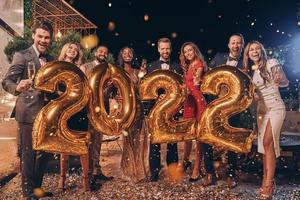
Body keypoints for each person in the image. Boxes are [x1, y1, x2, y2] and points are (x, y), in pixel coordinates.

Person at [2, 21, 54, 199]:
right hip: (28, 113)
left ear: (51, 39)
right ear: (34, 36)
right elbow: (7, 81)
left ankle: (37, 190)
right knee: (28, 153)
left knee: (44, 153)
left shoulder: (52, 59)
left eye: (47, 37)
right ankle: (28, 193)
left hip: (46, 114)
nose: (43, 40)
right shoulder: (22, 56)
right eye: (40, 36)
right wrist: (18, 87)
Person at [243, 40, 288, 199]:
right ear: (247, 55)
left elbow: (284, 82)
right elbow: (256, 96)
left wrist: (278, 78)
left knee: (268, 142)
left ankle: (269, 185)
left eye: (257, 49)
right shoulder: (252, 72)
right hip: (262, 112)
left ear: (261, 50)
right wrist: (254, 96)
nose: (254, 52)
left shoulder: (272, 62)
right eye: (251, 50)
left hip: (276, 108)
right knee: (264, 147)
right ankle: (266, 182)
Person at [202, 33, 245, 188]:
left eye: (239, 43)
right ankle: (209, 173)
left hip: (234, 110)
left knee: (231, 142)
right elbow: (209, 77)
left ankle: (231, 175)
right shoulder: (219, 57)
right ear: (228, 45)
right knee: (207, 139)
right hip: (215, 106)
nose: (236, 45)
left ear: (242, 46)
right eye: (233, 43)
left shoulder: (245, 63)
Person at [57, 42, 93, 190]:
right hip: (64, 110)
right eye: (70, 48)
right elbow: (54, 88)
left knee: (82, 146)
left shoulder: (81, 68)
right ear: (65, 50)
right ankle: (62, 180)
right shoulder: (57, 66)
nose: (72, 51)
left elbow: (86, 89)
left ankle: (85, 180)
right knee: (64, 148)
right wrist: (62, 96)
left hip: (79, 110)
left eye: (75, 50)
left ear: (78, 53)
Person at [147, 37, 182, 182]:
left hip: (172, 109)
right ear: (158, 49)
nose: (165, 51)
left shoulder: (177, 67)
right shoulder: (151, 66)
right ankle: (154, 172)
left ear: (171, 49)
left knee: (172, 141)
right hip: (155, 109)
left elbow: (181, 88)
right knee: (154, 141)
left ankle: (172, 170)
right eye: (163, 48)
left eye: (167, 48)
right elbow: (148, 89)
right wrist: (156, 99)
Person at [80, 45, 114, 182]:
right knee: (88, 141)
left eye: (105, 52)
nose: (103, 54)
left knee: (98, 142)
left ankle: (96, 170)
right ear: (95, 53)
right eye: (100, 51)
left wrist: (109, 87)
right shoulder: (85, 67)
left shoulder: (108, 69)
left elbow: (107, 92)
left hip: (102, 110)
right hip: (87, 110)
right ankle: (88, 174)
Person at [116, 46, 148, 182]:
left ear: (133, 55)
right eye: (125, 53)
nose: (128, 54)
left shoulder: (137, 71)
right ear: (121, 56)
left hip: (138, 109)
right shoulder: (118, 72)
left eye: (130, 52)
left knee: (138, 140)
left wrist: (143, 75)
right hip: (125, 109)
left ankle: (139, 172)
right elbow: (115, 90)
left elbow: (142, 90)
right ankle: (128, 171)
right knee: (127, 140)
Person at [179, 42, 207, 181]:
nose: (188, 53)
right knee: (188, 133)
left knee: (198, 135)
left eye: (190, 50)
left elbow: (196, 83)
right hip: (189, 101)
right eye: (185, 52)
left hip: (197, 100)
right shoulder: (188, 66)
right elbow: (187, 84)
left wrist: (195, 80)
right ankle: (185, 161)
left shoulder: (198, 64)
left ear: (195, 51)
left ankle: (197, 167)